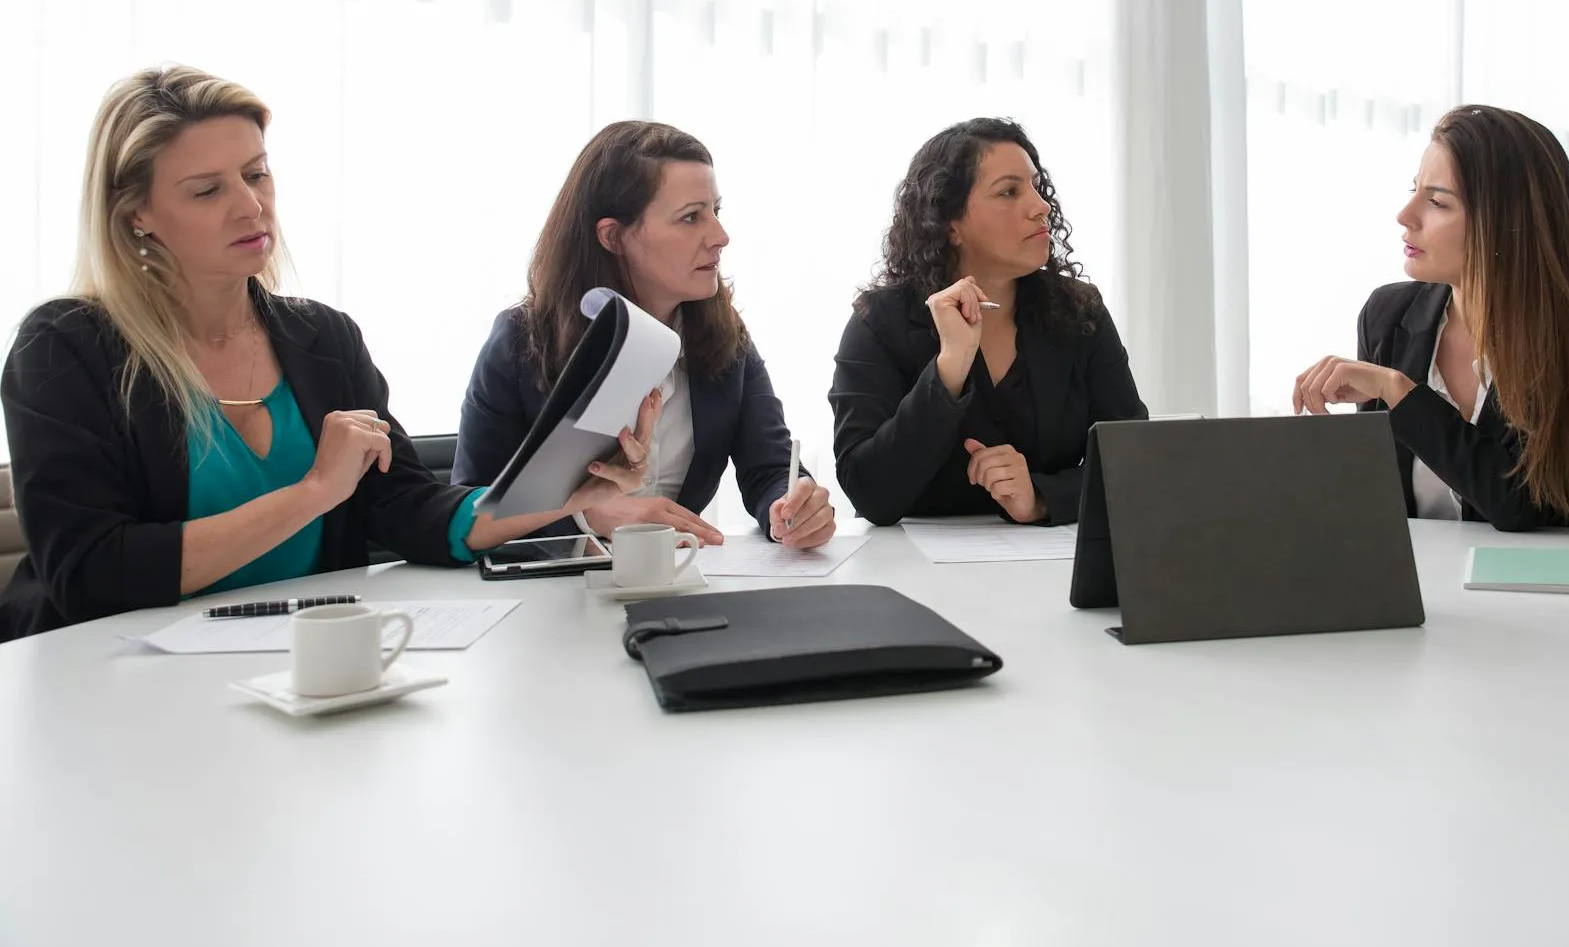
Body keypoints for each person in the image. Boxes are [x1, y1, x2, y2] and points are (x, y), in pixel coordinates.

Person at [0, 67, 653, 642]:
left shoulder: (322, 339)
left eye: (257, 173)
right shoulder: (64, 349)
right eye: (207, 190)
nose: (251, 205)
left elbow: (405, 508)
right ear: (135, 213)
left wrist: (568, 492)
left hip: (295, 668)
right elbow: (90, 572)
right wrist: (314, 491)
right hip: (103, 683)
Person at [1292, 104, 1569, 531]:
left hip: (1551, 587)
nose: (1406, 215)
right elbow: (1379, 500)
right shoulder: (1387, 316)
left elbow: (1523, 506)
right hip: (1429, 588)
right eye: (1414, 189)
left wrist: (1399, 391)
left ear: (1505, 222)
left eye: (1436, 201)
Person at [455, 121, 837, 549]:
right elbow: (466, 510)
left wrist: (793, 507)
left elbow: (769, 469)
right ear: (613, 236)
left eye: (716, 211)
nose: (720, 237)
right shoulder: (520, 341)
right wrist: (589, 515)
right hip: (554, 597)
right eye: (691, 217)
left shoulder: (725, 334)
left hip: (677, 587)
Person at [830, 118, 1147, 526]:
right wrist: (950, 367)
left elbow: (1134, 463)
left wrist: (1042, 499)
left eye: (1036, 187)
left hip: (1053, 565)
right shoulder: (879, 321)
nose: (1040, 206)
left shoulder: (1080, 312)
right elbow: (869, 491)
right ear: (950, 223)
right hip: (911, 571)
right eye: (1009, 192)